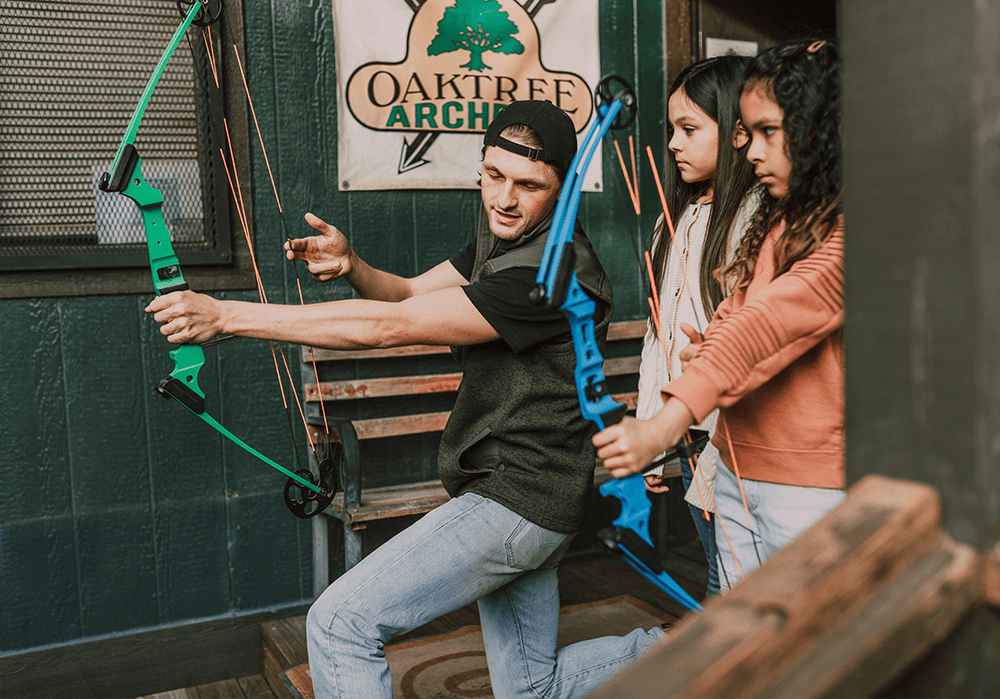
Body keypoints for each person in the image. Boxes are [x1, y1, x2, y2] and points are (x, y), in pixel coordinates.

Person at [147, 100, 665, 699]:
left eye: (529, 185)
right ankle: (684, 651)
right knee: (534, 689)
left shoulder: (551, 275)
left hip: (516, 500)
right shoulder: (508, 240)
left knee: (340, 623)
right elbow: (409, 295)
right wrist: (353, 265)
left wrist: (224, 315)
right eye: (493, 175)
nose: (503, 198)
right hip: (532, 497)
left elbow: (389, 329)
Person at [595, 37, 845, 591]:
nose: (751, 151)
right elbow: (736, 315)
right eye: (747, 133)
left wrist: (659, 427)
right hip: (736, 470)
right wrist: (706, 347)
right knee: (740, 639)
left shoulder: (846, 238)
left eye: (768, 133)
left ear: (818, 133)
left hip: (809, 489)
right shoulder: (778, 227)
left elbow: (765, 327)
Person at [637, 54, 760, 596]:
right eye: (671, 130)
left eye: (689, 128)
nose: (673, 144)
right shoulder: (676, 217)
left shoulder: (757, 216)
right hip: (685, 431)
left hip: (732, 435)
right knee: (718, 571)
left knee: (731, 581)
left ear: (738, 131)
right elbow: (657, 334)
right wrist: (652, 428)